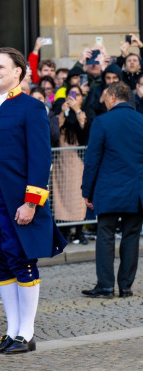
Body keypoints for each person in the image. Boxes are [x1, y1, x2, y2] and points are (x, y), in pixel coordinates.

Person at [0, 47, 66, 355]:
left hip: (14, 198)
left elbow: (40, 158)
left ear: (18, 72)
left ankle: (27, 333)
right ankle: (11, 330)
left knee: (21, 259)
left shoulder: (30, 107)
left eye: (1, 67)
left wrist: (31, 202)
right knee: (0, 261)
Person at [81, 82, 143, 299]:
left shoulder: (102, 122)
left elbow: (92, 160)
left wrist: (87, 190)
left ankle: (105, 286)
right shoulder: (141, 121)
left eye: (106, 96)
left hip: (108, 191)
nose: (104, 101)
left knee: (105, 236)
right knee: (131, 237)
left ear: (114, 97)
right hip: (136, 192)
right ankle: (125, 286)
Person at [52, 84, 90, 243]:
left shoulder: (84, 113)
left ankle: (79, 230)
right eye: (72, 95)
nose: (74, 98)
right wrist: (63, 111)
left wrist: (77, 110)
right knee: (61, 197)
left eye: (78, 95)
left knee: (78, 197)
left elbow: (86, 129)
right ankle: (65, 231)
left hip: (78, 162)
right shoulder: (61, 113)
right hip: (61, 161)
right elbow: (54, 129)